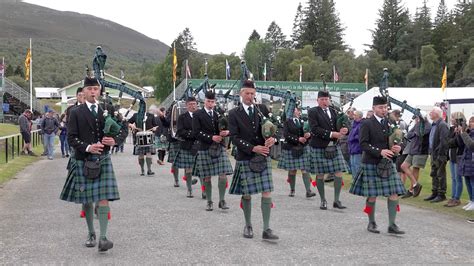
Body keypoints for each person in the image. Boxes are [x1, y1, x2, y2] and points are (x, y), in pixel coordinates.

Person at [62, 77, 120, 252]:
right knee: (87, 200)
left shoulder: (108, 109)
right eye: (90, 89)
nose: (93, 92)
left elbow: (123, 128)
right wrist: (88, 147)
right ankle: (91, 233)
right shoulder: (76, 112)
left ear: (99, 91)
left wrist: (114, 140)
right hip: (83, 160)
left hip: (103, 159)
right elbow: (71, 138)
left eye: (96, 89)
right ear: (83, 92)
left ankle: (103, 237)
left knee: (103, 198)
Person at [228, 80, 279, 241]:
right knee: (247, 193)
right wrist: (252, 148)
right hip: (246, 156)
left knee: (266, 191)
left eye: (252, 94)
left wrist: (273, 139)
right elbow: (234, 138)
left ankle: (266, 228)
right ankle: (248, 224)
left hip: (263, 156)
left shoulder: (262, 109)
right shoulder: (234, 113)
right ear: (241, 94)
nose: (250, 96)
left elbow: (274, 128)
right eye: (247, 93)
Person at [349, 96, 406, 234]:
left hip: (388, 163)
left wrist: (399, 148)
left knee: (394, 193)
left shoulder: (391, 123)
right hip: (371, 162)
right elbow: (363, 144)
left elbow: (396, 141)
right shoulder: (367, 123)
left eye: (385, 107)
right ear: (374, 108)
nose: (384, 110)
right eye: (381, 107)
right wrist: (380, 151)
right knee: (372, 196)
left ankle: (392, 224)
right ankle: (371, 222)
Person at [306, 90, 348, 210]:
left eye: (326, 99)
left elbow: (342, 125)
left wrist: (344, 129)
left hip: (334, 146)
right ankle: (323, 200)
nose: (325, 102)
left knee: (339, 172)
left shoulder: (334, 111)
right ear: (317, 100)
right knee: (320, 174)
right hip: (319, 146)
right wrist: (331, 134)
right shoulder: (313, 111)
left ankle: (336, 200)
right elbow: (314, 129)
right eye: (322, 100)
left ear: (329, 100)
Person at [192, 90, 234, 210]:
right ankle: (209, 201)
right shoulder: (197, 114)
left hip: (219, 148)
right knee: (207, 177)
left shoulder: (217, 115)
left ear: (215, 102)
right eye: (208, 101)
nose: (210, 103)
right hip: (205, 148)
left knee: (223, 175)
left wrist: (225, 132)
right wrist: (211, 137)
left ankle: (222, 200)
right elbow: (196, 133)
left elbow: (222, 128)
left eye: (212, 101)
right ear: (204, 101)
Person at [277, 107, 315, 198]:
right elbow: (286, 135)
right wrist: (298, 139)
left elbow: (310, 132)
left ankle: (308, 191)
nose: (296, 111)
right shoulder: (287, 121)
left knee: (305, 169)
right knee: (292, 170)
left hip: (303, 147)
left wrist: (309, 134)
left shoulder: (303, 121)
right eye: (294, 110)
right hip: (291, 147)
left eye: (297, 110)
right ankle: (292, 190)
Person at [174, 97, 200, 197]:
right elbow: (180, 131)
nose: (193, 106)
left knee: (201, 169)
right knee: (188, 169)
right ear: (186, 105)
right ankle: (189, 189)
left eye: (194, 104)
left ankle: (204, 191)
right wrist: (194, 134)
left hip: (200, 146)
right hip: (187, 145)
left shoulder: (201, 115)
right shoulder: (182, 117)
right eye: (190, 104)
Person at [400, 116, 431, 198]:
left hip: (421, 150)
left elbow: (421, 133)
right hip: (413, 149)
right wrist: (414, 133)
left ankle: (411, 190)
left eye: (418, 117)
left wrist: (415, 132)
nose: (416, 119)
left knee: (415, 169)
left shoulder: (427, 125)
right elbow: (409, 134)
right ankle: (415, 184)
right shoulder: (417, 124)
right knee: (403, 166)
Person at [424, 107, 449, 203]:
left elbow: (444, 142)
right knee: (434, 174)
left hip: (440, 154)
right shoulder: (434, 125)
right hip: (434, 154)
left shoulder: (442, 125)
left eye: (432, 112)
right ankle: (434, 192)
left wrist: (439, 155)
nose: (430, 113)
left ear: (437, 114)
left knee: (440, 174)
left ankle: (441, 194)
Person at [129, 106, 159, 176]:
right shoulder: (136, 115)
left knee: (149, 153)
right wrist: (131, 125)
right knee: (140, 154)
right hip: (139, 137)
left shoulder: (150, 115)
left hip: (149, 137)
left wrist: (155, 128)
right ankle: (142, 170)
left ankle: (149, 169)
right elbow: (128, 122)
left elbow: (156, 126)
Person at [445, 112, 465, 207]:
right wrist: (453, 140)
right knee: (453, 178)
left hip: (458, 156)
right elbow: (448, 142)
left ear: (458, 119)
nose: (451, 119)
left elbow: (459, 143)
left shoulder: (462, 129)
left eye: (453, 118)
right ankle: (453, 197)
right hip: (452, 156)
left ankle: (457, 198)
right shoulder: (452, 129)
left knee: (458, 178)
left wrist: (456, 137)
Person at [456, 116, 474, 215]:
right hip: (467, 160)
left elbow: (471, 145)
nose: (470, 124)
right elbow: (461, 144)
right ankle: (471, 200)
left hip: (472, 161)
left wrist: (464, 133)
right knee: (467, 180)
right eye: (470, 122)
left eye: (472, 122)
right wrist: (460, 134)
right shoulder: (469, 133)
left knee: (472, 182)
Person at [348, 110, 363, 179]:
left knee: (357, 166)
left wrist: (353, 138)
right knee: (353, 165)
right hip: (352, 148)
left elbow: (361, 136)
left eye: (355, 115)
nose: (353, 116)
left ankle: (358, 182)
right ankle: (354, 181)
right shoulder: (354, 124)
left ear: (359, 116)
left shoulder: (361, 124)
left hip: (358, 148)